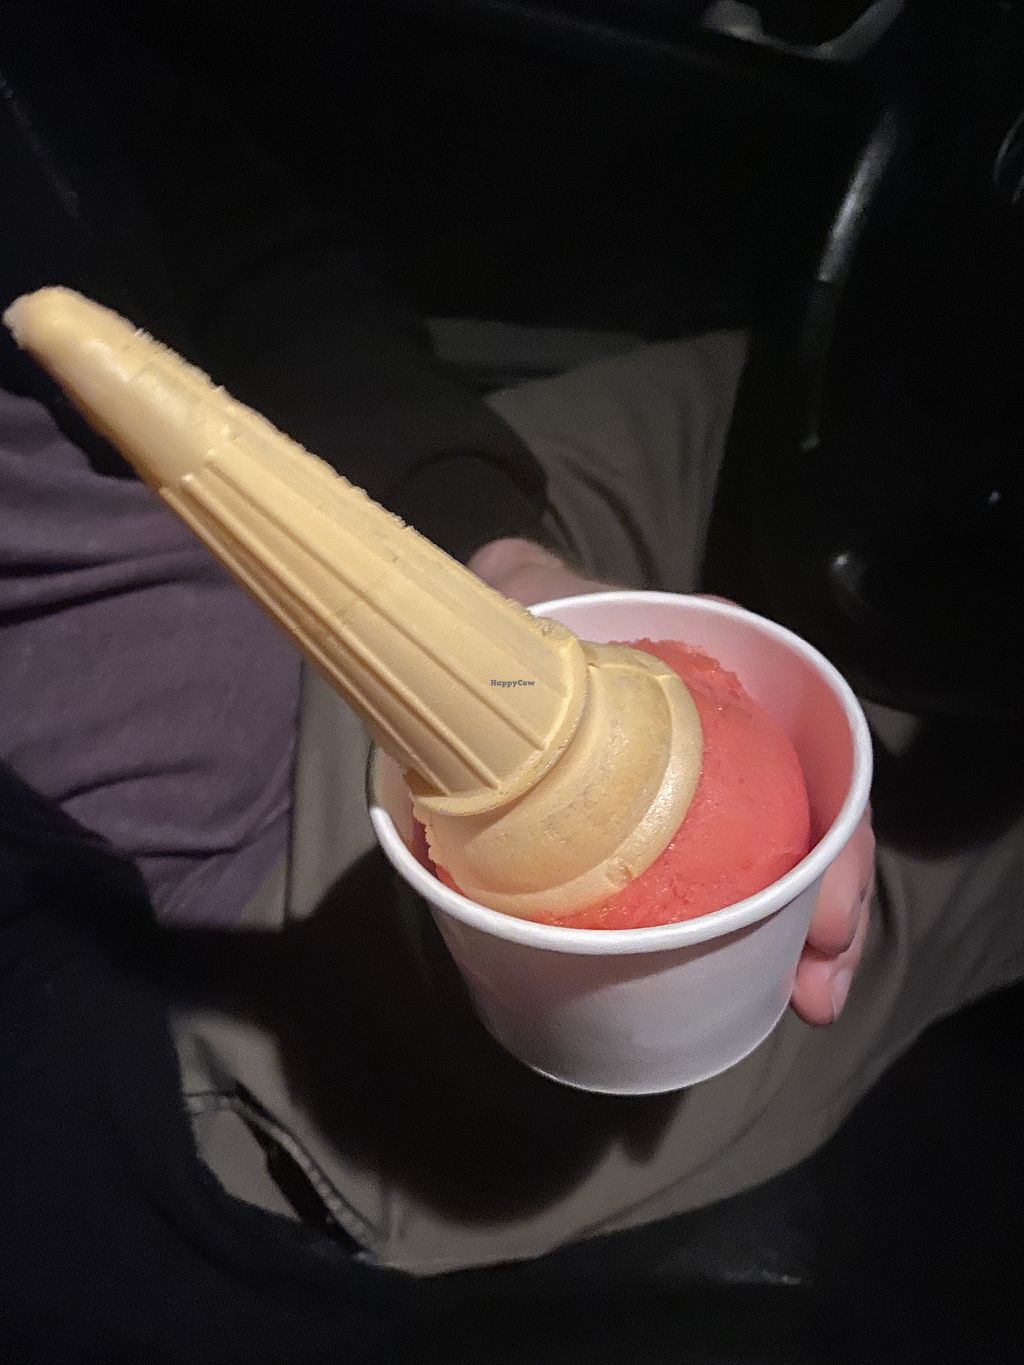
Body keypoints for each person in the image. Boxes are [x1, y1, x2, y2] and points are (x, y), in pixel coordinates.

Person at [1, 3, 1021, 1357]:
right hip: (198, 884)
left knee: (797, 393)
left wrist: (491, 543)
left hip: (403, 539)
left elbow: (214, 223)